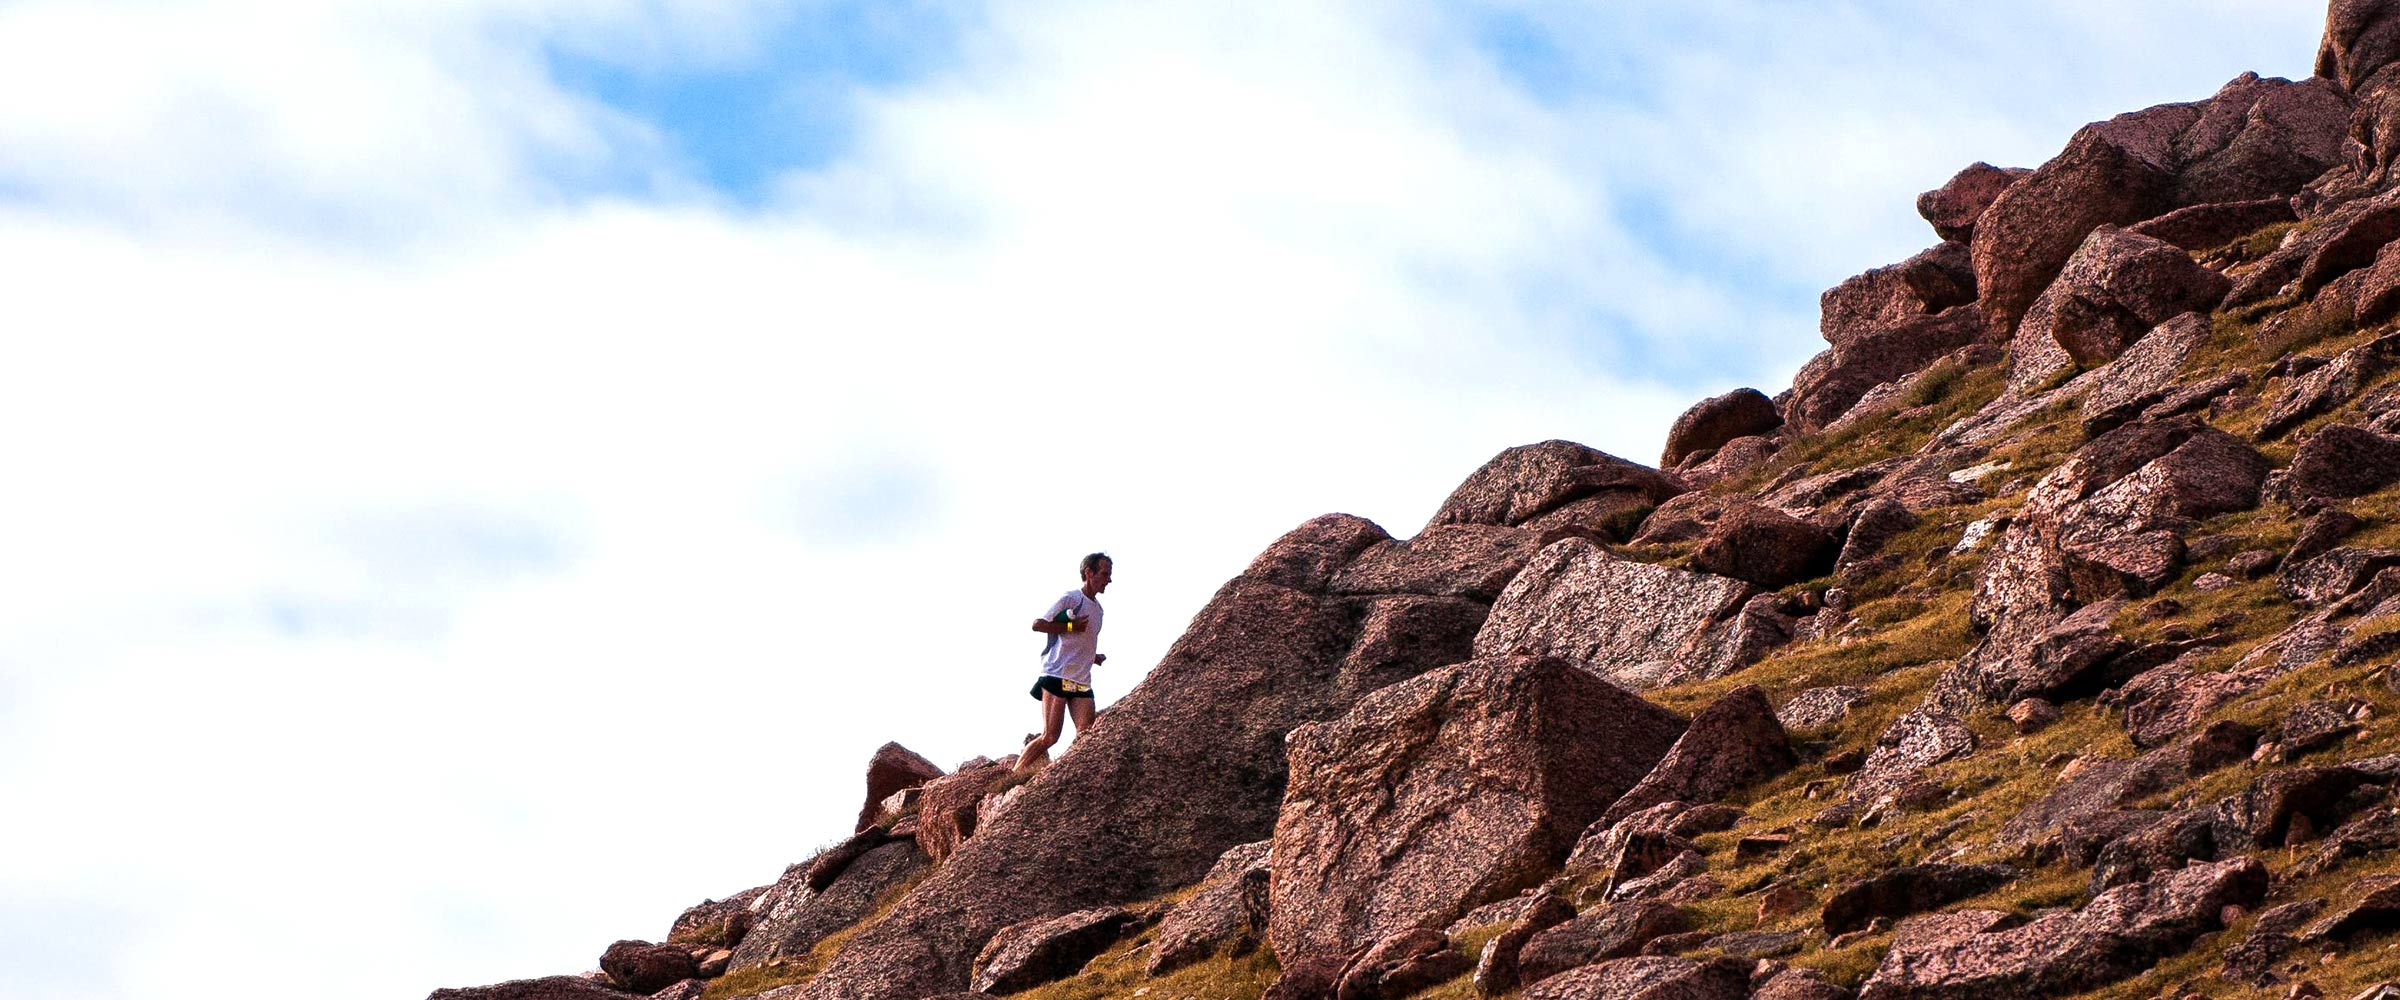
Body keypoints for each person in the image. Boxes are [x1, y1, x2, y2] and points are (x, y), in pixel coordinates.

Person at [1013, 552, 1111, 775]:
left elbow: (1082, 642)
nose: (1109, 580)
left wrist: (1094, 657)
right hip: (1058, 674)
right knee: (1050, 736)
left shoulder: (1099, 611)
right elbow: (1038, 624)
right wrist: (1069, 627)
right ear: (1089, 573)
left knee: (1087, 733)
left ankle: (1072, 777)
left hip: (1081, 679)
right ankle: (1014, 777)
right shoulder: (1071, 598)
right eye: (1105, 574)